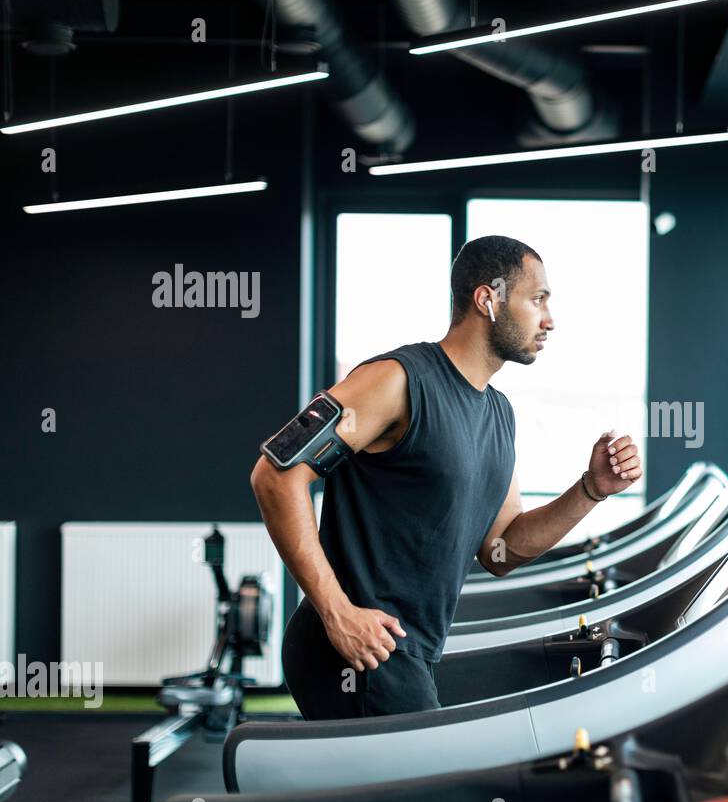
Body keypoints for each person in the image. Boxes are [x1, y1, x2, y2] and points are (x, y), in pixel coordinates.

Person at [250, 235, 641, 720]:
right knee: (424, 790)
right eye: (537, 299)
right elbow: (275, 474)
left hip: (411, 652)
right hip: (359, 646)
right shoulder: (395, 381)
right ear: (488, 299)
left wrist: (590, 490)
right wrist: (337, 612)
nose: (549, 319)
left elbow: (502, 548)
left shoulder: (498, 414)